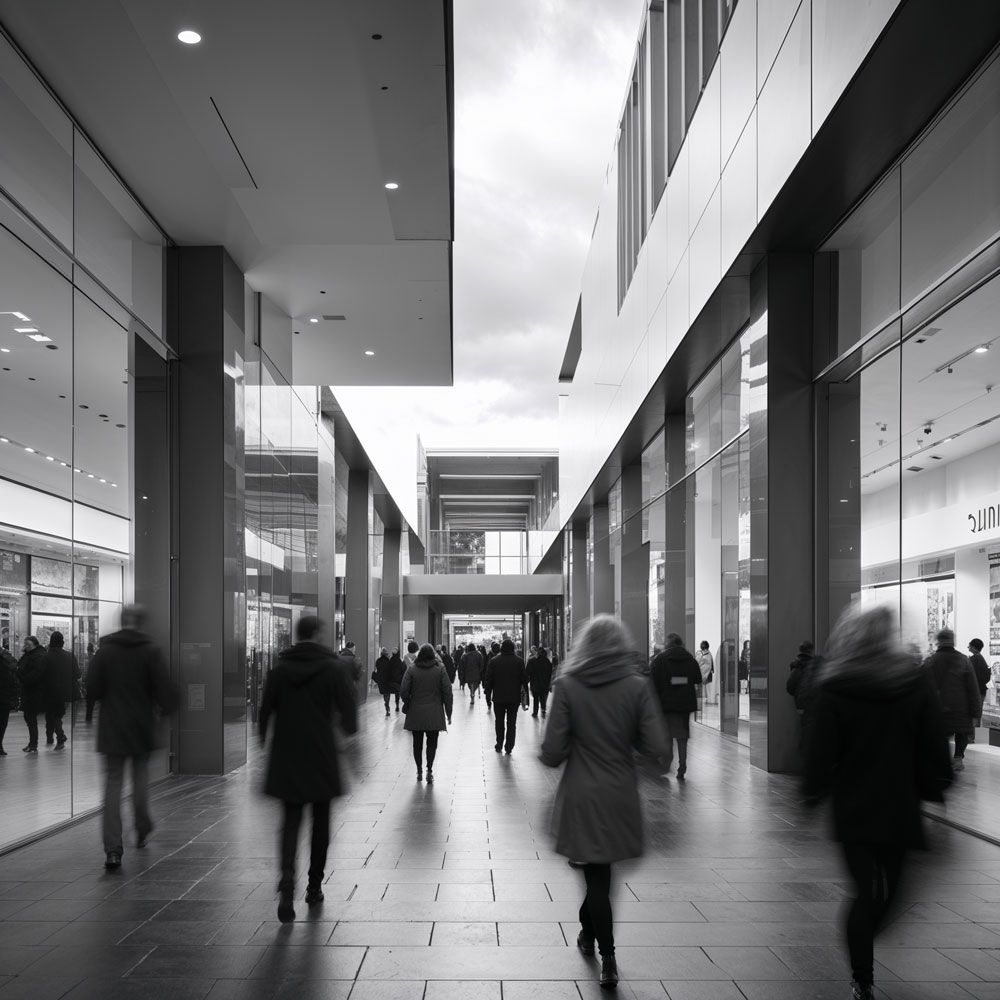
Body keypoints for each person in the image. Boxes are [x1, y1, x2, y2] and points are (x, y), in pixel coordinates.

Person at [803, 604, 951, 1000]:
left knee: (865, 891)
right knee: (892, 891)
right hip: (899, 802)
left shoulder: (835, 684)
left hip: (853, 805)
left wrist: (813, 790)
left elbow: (820, 749)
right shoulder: (913, 681)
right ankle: (864, 964)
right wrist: (937, 783)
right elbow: (932, 738)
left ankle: (861, 972)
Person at [541, 614, 668, 990]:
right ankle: (593, 940)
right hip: (619, 793)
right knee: (601, 873)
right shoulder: (637, 686)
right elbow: (658, 748)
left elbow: (552, 751)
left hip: (581, 793)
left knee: (594, 875)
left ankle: (605, 952)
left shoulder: (567, 685)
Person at [260, 615, 357, 922]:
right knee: (320, 822)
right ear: (317, 634)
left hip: (287, 755)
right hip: (321, 755)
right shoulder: (333, 669)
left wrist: (266, 744)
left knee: (290, 821)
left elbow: (264, 715)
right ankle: (314, 886)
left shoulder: (279, 670)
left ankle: (287, 880)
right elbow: (350, 718)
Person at [87, 606, 176, 870]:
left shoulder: (105, 652)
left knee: (112, 786)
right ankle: (142, 826)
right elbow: (165, 691)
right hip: (140, 727)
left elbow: (92, 688)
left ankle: (113, 849)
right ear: (141, 623)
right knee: (140, 781)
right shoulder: (150, 651)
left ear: (122, 622)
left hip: (112, 728)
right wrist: (164, 711)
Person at [924, 628, 980, 771]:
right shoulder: (964, 660)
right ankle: (958, 758)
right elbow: (973, 689)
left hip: (938, 709)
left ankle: (940, 762)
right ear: (952, 641)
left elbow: (923, 689)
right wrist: (975, 713)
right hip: (961, 709)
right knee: (961, 734)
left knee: (940, 735)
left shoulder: (930, 662)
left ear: (938, 642)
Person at [650, 634, 702, 779]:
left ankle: (666, 764)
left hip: (666, 704)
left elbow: (653, 681)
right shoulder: (690, 659)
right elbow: (697, 678)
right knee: (682, 737)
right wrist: (682, 680)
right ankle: (682, 767)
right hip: (685, 704)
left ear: (668, 644)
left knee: (667, 736)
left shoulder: (660, 660)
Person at [400, 643, 452, 782]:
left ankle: (419, 771)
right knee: (432, 743)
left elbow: (403, 690)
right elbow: (448, 692)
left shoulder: (412, 669)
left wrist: (408, 702)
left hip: (416, 711)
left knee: (417, 743)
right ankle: (429, 769)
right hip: (434, 712)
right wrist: (449, 712)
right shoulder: (440, 669)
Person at [485, 638, 528, 754]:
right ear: (513, 648)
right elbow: (525, 680)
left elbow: (488, 680)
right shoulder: (519, 661)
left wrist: (488, 696)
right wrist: (526, 698)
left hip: (498, 698)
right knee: (511, 722)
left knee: (499, 721)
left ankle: (499, 743)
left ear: (501, 648)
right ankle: (509, 746)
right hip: (514, 698)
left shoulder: (493, 661)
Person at [44, 631, 76, 749]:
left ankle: (58, 737)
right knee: (56, 714)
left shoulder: (46, 656)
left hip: (50, 691)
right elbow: (77, 674)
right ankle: (51, 737)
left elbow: (42, 674)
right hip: (66, 691)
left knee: (52, 714)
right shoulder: (69, 656)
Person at [16, 636, 47, 753]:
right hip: (29, 692)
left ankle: (33, 744)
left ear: (34, 644)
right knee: (30, 719)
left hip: (33, 693)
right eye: (25, 644)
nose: (26, 646)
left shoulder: (38, 656)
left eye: (28, 644)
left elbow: (35, 676)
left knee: (31, 719)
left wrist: (21, 676)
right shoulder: (30, 655)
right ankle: (32, 743)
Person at [968, 638, 991, 740]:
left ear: (973, 647)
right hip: (981, 691)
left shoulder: (973, 659)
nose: (968, 647)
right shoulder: (980, 658)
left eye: (969, 645)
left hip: (976, 692)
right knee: (977, 713)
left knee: (973, 714)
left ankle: (970, 737)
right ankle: (973, 737)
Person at [0, 641, 18, 755]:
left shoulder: (6, 658)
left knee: (2, 722)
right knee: (2, 722)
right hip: (5, 696)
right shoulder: (7, 658)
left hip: (4, 695)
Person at [527, 645, 554, 719]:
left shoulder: (531, 660)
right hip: (544, 683)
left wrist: (527, 681)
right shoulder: (547, 662)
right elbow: (550, 673)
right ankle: (543, 710)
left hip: (534, 683)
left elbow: (528, 672)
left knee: (535, 698)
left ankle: (535, 712)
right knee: (543, 697)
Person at [373, 647, 393, 716]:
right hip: (388, 680)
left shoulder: (378, 661)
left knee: (385, 693)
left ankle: (386, 705)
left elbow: (375, 670)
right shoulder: (389, 661)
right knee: (388, 693)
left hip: (381, 680)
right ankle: (387, 706)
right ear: (387, 654)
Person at [696, 640, 714, 705]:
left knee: (704, 689)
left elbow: (697, 663)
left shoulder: (699, 653)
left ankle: (706, 701)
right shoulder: (709, 654)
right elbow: (711, 665)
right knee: (707, 689)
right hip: (707, 674)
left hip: (703, 674)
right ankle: (708, 701)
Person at [387, 648, 405, 712]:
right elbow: (403, 670)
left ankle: (387, 706)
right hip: (398, 681)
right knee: (397, 693)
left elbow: (388, 670)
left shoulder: (390, 660)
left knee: (388, 693)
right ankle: (397, 706)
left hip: (391, 680)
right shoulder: (400, 661)